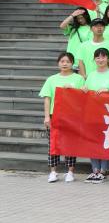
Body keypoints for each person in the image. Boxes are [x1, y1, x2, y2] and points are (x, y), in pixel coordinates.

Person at [40, 52, 86, 183]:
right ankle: (53, 172)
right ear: (58, 63)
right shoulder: (51, 79)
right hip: (55, 115)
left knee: (70, 143)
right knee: (53, 143)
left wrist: (73, 89)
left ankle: (70, 171)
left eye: (68, 61)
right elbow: (47, 98)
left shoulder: (79, 79)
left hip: (72, 115)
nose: (65, 64)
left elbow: (83, 97)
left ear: (72, 64)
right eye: (62, 61)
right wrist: (47, 116)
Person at [83, 47, 109, 182]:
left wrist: (108, 90)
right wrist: (84, 90)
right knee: (93, 140)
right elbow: (86, 92)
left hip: (108, 113)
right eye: (97, 57)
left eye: (103, 57)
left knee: (106, 140)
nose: (100, 60)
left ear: (108, 58)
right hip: (93, 112)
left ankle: (104, 169)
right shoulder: (91, 75)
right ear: (94, 59)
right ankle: (95, 169)